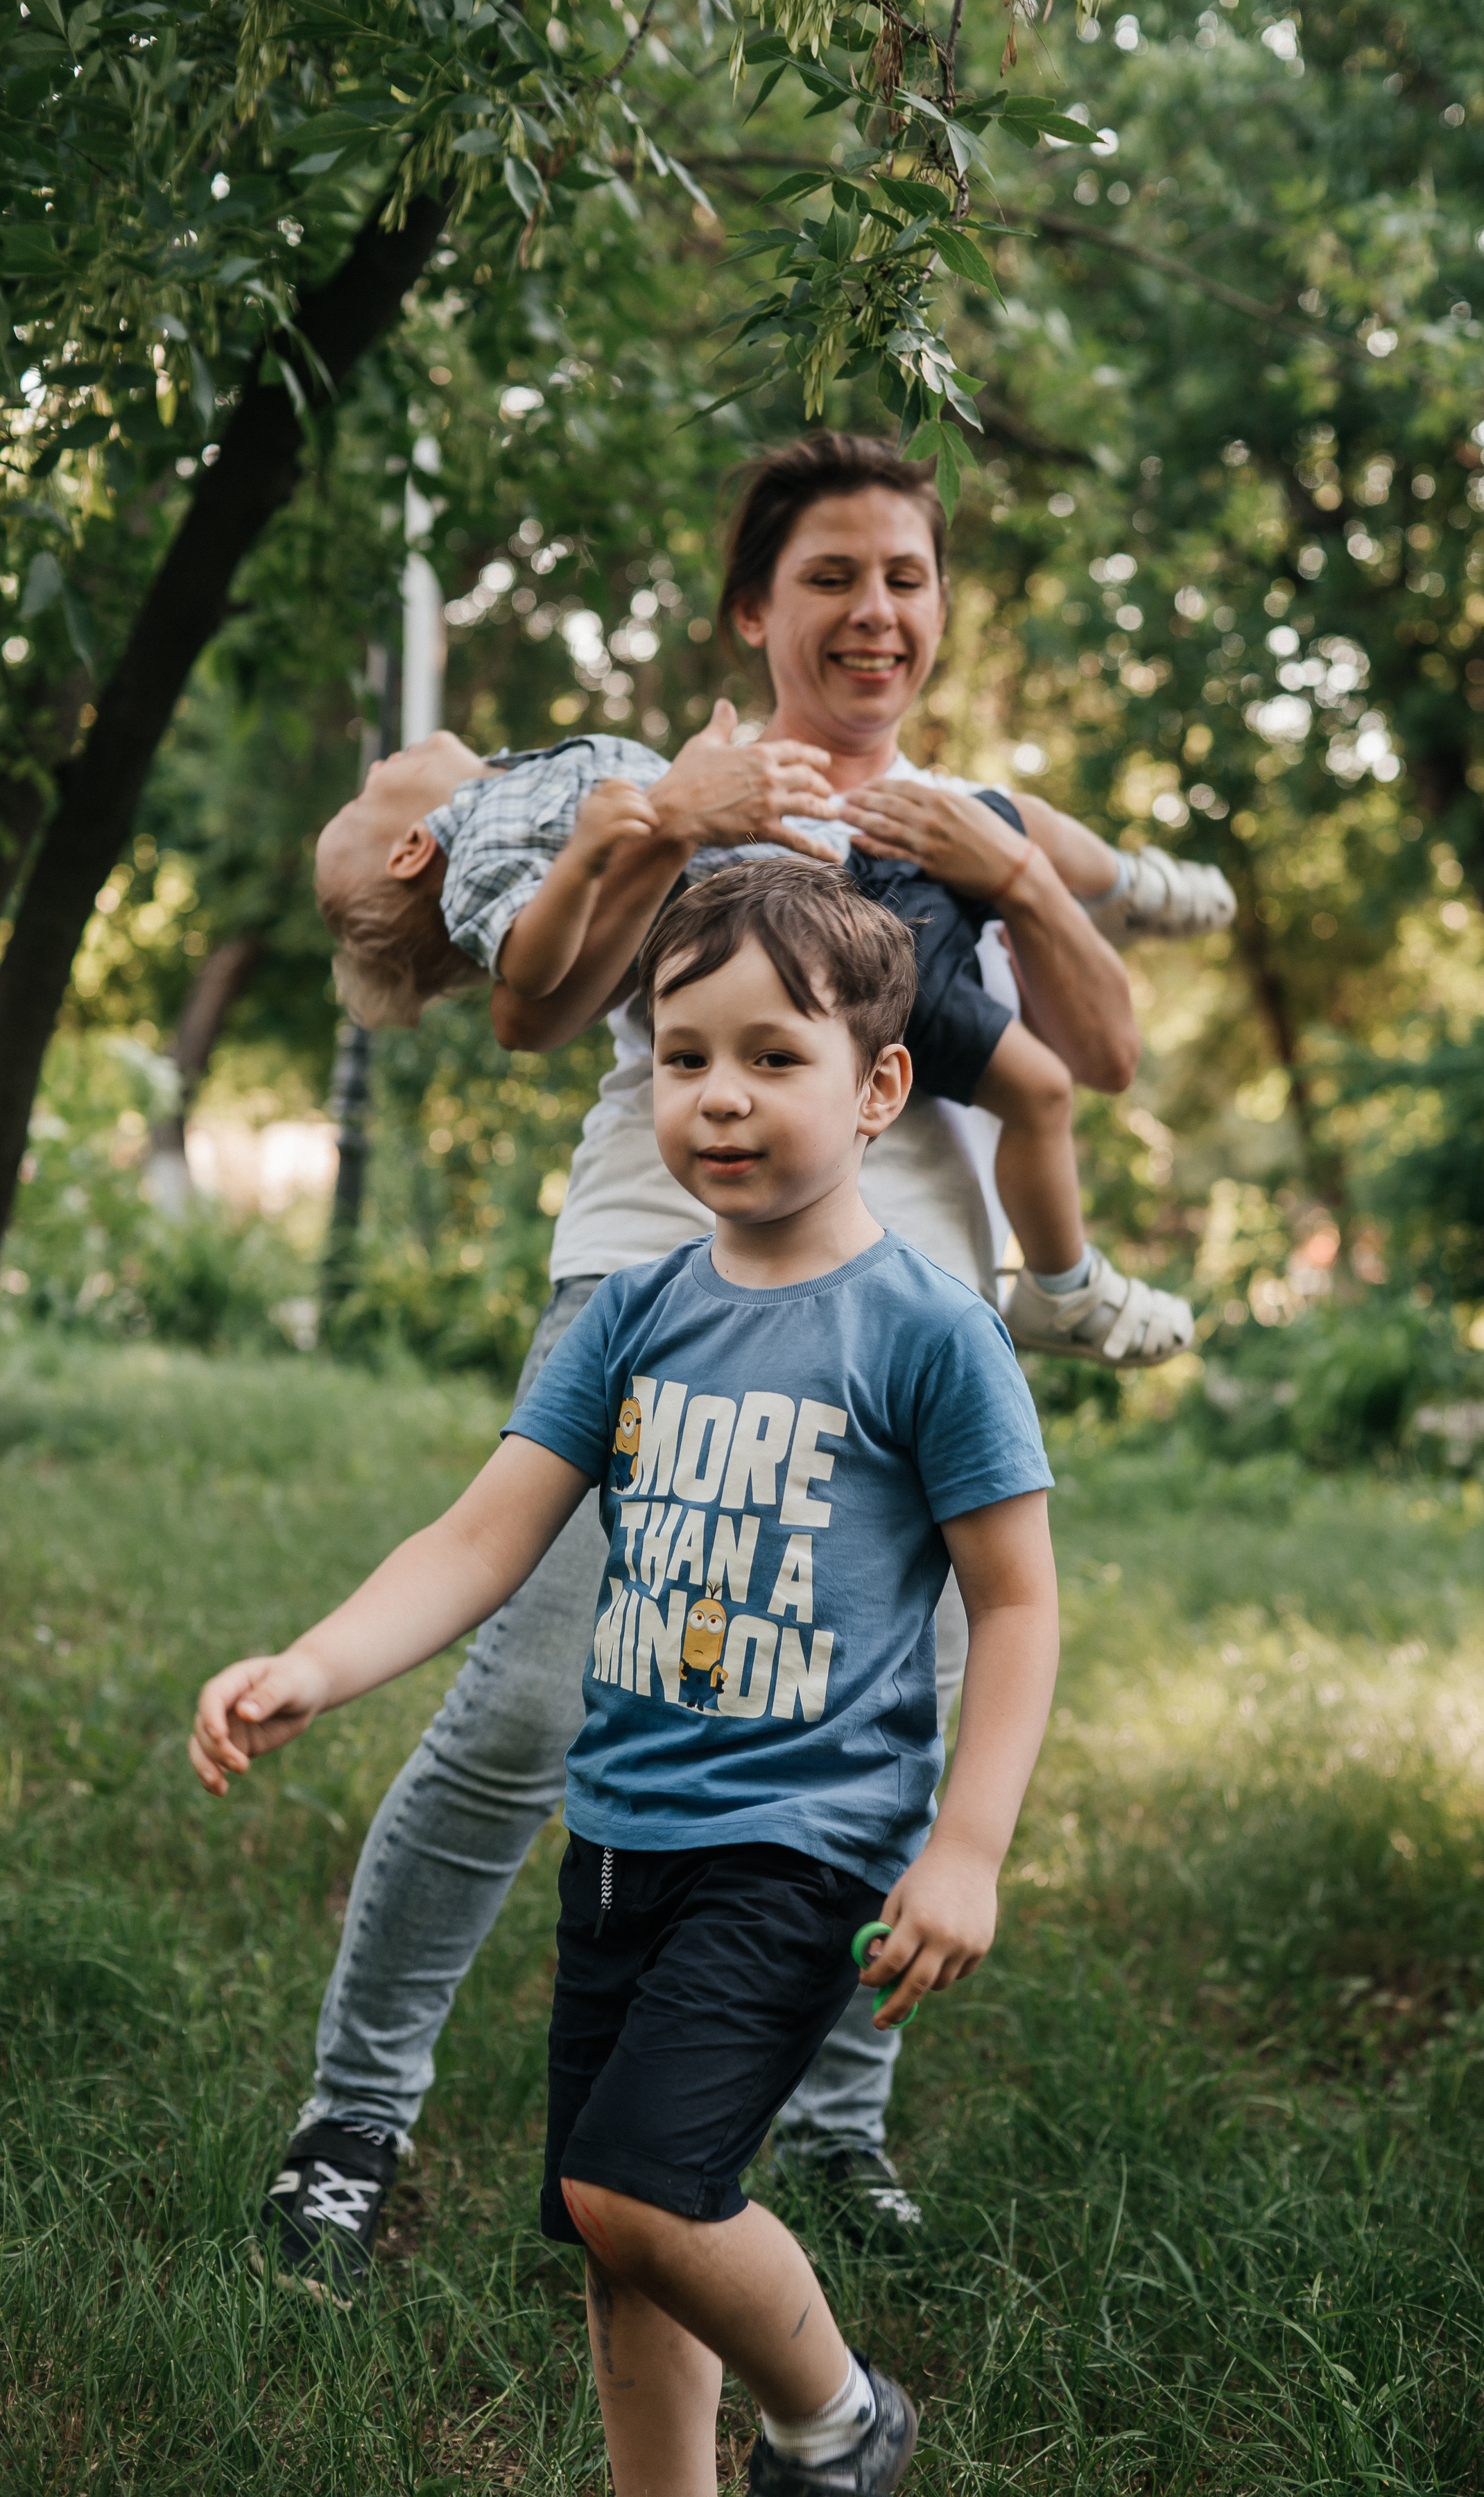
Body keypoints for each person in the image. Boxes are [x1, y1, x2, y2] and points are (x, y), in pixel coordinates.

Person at [252, 432, 1194, 2306]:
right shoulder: (658, 782)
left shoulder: (972, 816)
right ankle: (354, 2121)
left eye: (908, 577)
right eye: (833, 576)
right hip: (653, 1289)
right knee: (526, 1714)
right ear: (755, 610)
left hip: (906, 1326)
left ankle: (835, 2136)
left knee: (872, 1752)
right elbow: (525, 1009)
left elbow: (1110, 1058)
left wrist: (1023, 874)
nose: (876, 612)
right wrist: (658, 821)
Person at [193, 859, 1061, 2497]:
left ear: (878, 1086)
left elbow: (1015, 1606)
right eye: (681, 1057)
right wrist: (316, 1662)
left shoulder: (928, 1333)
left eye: (770, 1057)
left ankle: (837, 2417)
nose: (718, 1098)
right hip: (619, 1838)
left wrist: (967, 1843)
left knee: (634, 2186)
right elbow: (480, 1538)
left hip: (800, 1844)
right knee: (625, 2232)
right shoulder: (637, 1317)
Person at [315, 715, 1202, 1373]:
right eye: (360, 796)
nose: (378, 762)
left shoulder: (515, 778)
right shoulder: (482, 844)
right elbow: (528, 976)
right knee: (1040, 1088)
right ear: (409, 851)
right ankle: (1062, 1284)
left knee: (1014, 819)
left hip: (845, 869)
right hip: (839, 931)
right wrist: (601, 848)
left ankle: (1128, 887)